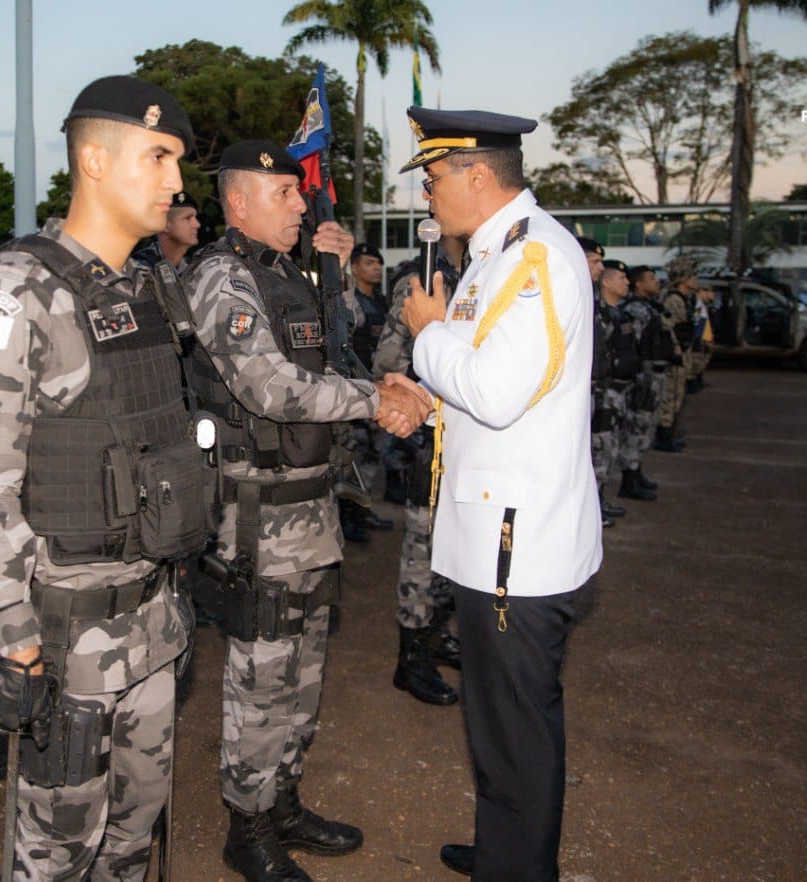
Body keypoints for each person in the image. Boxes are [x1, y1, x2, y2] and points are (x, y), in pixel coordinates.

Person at [0, 75, 209, 881]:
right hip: (67, 646)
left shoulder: (149, 287)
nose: (175, 181)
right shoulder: (15, 292)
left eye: (178, 161)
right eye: (158, 156)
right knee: (57, 857)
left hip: (154, 623)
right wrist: (16, 643)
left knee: (133, 842)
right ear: (93, 160)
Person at [183, 138, 426, 882]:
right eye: (284, 193)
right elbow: (272, 388)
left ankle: (282, 800)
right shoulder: (221, 278)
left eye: (300, 192)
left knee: (305, 667)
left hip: (311, 506)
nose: (302, 205)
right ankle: (247, 825)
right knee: (262, 675)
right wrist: (376, 400)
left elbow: (338, 355)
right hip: (257, 515)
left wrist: (336, 280)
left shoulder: (288, 274)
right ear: (238, 201)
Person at [398, 105, 602, 881]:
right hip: (496, 532)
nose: (426, 194)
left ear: (477, 175)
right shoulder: (494, 255)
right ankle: (506, 850)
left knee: (515, 728)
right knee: (498, 722)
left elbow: (496, 391)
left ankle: (515, 869)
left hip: (517, 543)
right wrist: (425, 398)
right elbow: (483, 385)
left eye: (432, 178)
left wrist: (427, 331)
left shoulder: (534, 257)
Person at [373, 233, 465, 706]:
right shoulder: (423, 279)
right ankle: (411, 658)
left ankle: (437, 634)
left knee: (454, 550)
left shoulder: (479, 272)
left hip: (464, 441)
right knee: (423, 552)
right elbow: (388, 361)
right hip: (427, 439)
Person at [340, 241, 393, 542]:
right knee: (355, 456)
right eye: (370, 263)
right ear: (355, 267)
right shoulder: (349, 302)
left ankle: (363, 509)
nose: (377, 268)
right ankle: (349, 517)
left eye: (379, 263)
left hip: (380, 389)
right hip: (356, 391)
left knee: (374, 454)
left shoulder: (381, 301)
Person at [597, 259, 654, 504]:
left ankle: (604, 497)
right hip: (604, 391)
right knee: (601, 447)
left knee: (615, 443)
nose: (627, 282)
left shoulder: (622, 315)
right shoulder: (598, 315)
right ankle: (596, 503)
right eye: (621, 278)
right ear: (607, 282)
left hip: (622, 388)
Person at [578, 237, 622, 526]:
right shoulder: (570, 292)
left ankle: (597, 503)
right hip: (580, 392)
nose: (600, 267)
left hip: (599, 387)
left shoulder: (594, 299)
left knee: (602, 447)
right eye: (595, 261)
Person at [622, 266, 674, 493]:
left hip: (654, 373)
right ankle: (630, 476)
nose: (657, 282)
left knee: (646, 425)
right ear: (639, 284)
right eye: (651, 278)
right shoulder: (636, 309)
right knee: (637, 424)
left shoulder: (649, 307)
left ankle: (636, 470)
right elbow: (633, 344)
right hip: (643, 374)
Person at [656, 256, 697, 451]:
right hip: (675, 354)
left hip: (682, 351)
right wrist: (675, 349)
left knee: (677, 396)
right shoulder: (673, 299)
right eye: (692, 276)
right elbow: (668, 326)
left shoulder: (683, 299)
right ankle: (664, 434)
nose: (695, 280)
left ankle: (670, 431)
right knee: (671, 396)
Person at [132, 189, 201, 271]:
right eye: (188, 218)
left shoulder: (188, 268)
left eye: (195, 218)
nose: (197, 225)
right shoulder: (140, 269)